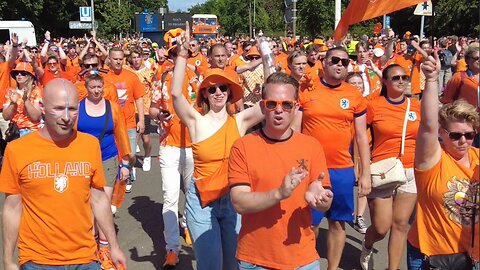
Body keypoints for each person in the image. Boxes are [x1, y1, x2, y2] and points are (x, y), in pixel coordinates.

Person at [0, 78, 128, 270]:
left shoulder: (90, 145)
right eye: (59, 108)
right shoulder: (17, 150)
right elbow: (11, 208)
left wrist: (114, 246)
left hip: (85, 257)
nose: (67, 117)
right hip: (37, 260)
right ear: (42, 107)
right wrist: (8, 261)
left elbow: (99, 199)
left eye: (72, 109)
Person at [170, 23, 264, 270]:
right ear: (205, 95)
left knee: (234, 265)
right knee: (211, 265)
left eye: (223, 88)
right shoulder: (195, 122)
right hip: (202, 202)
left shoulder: (240, 121)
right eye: (212, 89)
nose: (218, 92)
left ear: (230, 92)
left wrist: (267, 57)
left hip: (233, 200)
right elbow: (176, 95)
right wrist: (182, 54)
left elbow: (270, 103)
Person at [229, 72, 333, 270]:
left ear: (295, 107)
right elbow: (239, 202)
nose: (279, 110)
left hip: (302, 258)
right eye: (271, 104)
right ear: (262, 107)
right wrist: (279, 194)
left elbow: (321, 195)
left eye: (286, 104)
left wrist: (322, 200)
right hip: (256, 259)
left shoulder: (311, 146)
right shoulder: (242, 146)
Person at [293, 46, 371, 270]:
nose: (340, 65)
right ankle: (307, 263)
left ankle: (332, 267)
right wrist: (296, 165)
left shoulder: (354, 95)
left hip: (342, 170)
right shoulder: (307, 89)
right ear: (324, 63)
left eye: (345, 62)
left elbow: (361, 138)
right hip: (311, 170)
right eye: (335, 60)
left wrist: (365, 173)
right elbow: (296, 131)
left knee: (338, 223)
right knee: (311, 224)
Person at [407, 54, 479, 269]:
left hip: (469, 255)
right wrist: (431, 79)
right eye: (456, 135)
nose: (463, 141)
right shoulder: (431, 159)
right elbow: (428, 124)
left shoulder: (477, 160)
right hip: (429, 256)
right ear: (442, 133)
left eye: (469, 134)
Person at [359, 64, 421, 270]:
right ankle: (367, 244)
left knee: (401, 223)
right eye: (395, 78)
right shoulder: (374, 105)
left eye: (404, 77)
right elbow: (358, 136)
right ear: (385, 81)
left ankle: (392, 268)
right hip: (383, 170)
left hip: (410, 170)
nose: (401, 81)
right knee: (381, 227)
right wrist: (361, 167)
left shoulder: (415, 106)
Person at [149, 29, 198, 267]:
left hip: (194, 145)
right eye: (175, 51)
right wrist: (161, 114)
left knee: (192, 195)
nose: (179, 55)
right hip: (168, 145)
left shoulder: (197, 74)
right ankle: (172, 248)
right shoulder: (162, 75)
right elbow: (152, 109)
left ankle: (189, 227)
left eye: (183, 50)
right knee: (170, 198)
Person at [76, 74, 131, 270]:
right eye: (93, 87)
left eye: (99, 87)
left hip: (107, 158)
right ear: (87, 87)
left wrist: (125, 162)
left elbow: (122, 133)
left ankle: (104, 249)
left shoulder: (112, 107)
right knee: (86, 206)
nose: (97, 91)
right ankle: (88, 246)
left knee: (103, 206)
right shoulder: (79, 107)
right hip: (83, 161)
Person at [104, 47, 146, 193]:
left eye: (120, 59)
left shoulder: (131, 76)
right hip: (110, 124)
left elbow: (139, 98)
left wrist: (141, 120)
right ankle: (121, 175)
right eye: (115, 59)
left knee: (132, 154)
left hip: (129, 123)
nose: (118, 62)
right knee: (116, 154)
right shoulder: (104, 77)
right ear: (109, 59)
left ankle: (129, 167)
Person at [127, 46, 154, 172]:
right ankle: (130, 165)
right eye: (134, 57)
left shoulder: (148, 72)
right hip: (131, 108)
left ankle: (147, 156)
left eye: (138, 57)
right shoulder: (127, 71)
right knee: (133, 136)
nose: (136, 60)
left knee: (146, 139)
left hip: (145, 108)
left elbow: (154, 89)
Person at [3, 62, 42, 137]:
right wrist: (12, 104)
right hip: (14, 131)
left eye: (23, 73)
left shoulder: (36, 91)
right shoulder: (10, 92)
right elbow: (5, 117)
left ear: (29, 76)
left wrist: (26, 100)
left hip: (31, 130)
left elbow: (35, 117)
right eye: (17, 73)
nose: (19, 75)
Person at [442, 42, 479, 109]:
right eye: (476, 58)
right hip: (465, 117)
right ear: (467, 59)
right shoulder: (458, 78)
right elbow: (447, 103)